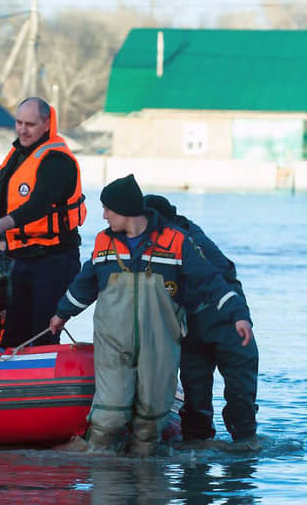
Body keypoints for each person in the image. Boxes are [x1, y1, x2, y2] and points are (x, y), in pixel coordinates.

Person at [49, 175, 252, 456]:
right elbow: (85, 283)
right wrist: (62, 314)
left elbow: (212, 281)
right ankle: (102, 465)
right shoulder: (103, 243)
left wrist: (238, 316)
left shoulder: (177, 242)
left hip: (160, 346)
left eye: (108, 209)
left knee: (151, 419)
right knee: (109, 416)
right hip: (114, 344)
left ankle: (148, 470)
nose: (104, 215)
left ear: (125, 210)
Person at [144, 194, 259, 448]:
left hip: (224, 322)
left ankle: (236, 443)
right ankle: (222, 443)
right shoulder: (173, 236)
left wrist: (239, 316)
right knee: (198, 398)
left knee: (236, 395)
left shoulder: (184, 241)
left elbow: (221, 278)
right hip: (196, 325)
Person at [0, 97, 86, 348]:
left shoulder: (57, 161)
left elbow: (40, 203)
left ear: (46, 124)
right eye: (18, 122)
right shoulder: (18, 156)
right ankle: (8, 382)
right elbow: (3, 195)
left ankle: (45, 382)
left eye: (30, 124)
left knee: (43, 332)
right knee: (14, 334)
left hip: (54, 259)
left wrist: (3, 224)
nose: (22, 130)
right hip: (21, 259)